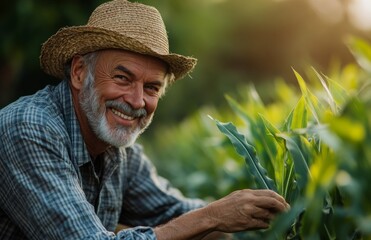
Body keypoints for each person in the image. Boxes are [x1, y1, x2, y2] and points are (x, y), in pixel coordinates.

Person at [0, 0, 289, 239]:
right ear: (79, 73)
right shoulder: (28, 129)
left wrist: (257, 213)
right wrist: (212, 216)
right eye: (122, 78)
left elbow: (175, 212)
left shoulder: (119, 153)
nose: (137, 101)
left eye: (152, 88)